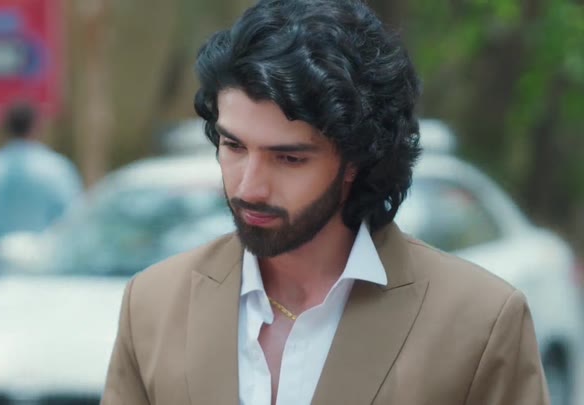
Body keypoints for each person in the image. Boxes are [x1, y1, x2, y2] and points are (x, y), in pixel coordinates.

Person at [101, 0, 550, 404]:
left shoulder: (481, 324)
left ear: (356, 159)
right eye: (233, 146)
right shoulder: (153, 304)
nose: (249, 188)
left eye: (289, 158)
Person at [0, 102, 83, 293]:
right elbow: (76, 223)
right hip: (48, 279)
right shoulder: (57, 169)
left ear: (4, 129)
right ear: (37, 127)